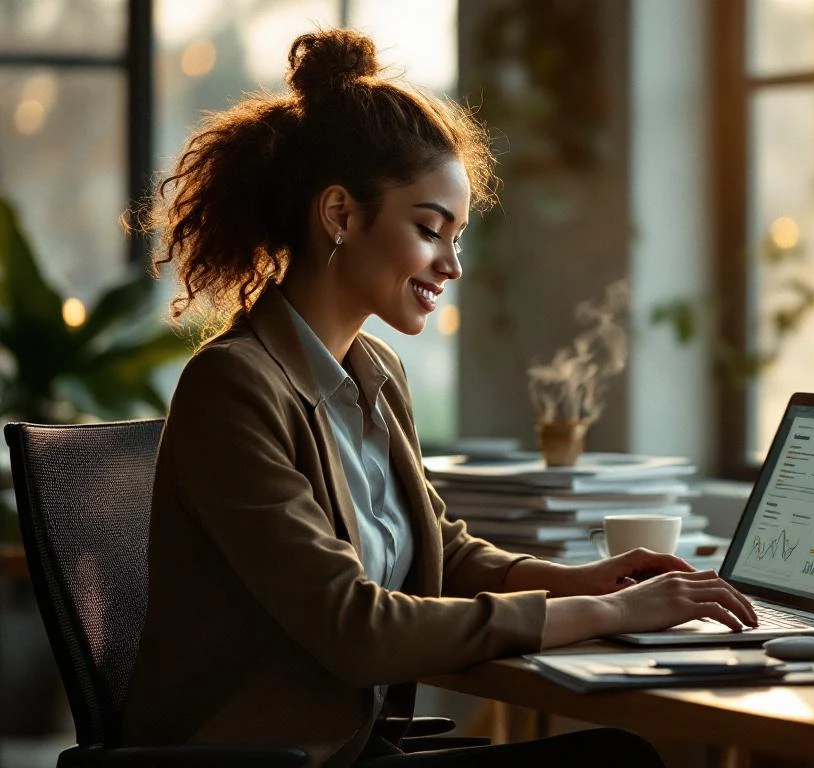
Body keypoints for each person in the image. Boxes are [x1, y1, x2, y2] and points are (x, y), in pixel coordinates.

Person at [121, 27, 758, 768]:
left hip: (355, 747)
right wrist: (604, 613)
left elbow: (438, 547)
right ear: (340, 216)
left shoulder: (375, 373)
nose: (452, 265)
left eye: (457, 235)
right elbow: (355, 628)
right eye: (430, 230)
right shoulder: (232, 388)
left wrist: (577, 579)